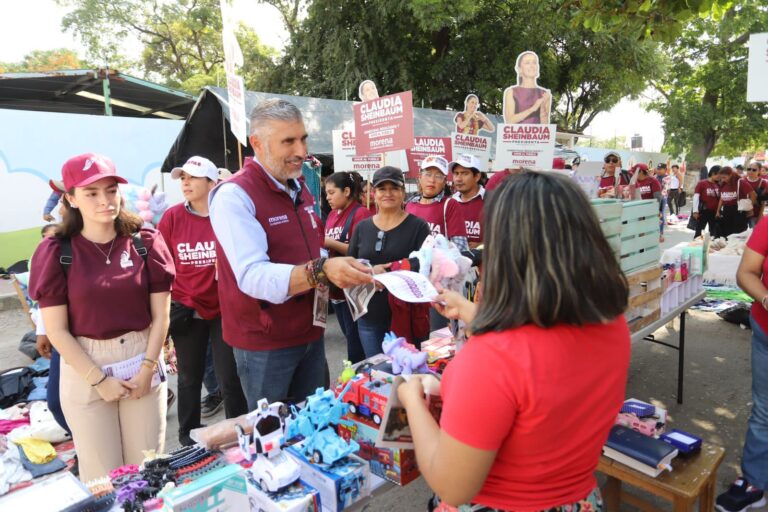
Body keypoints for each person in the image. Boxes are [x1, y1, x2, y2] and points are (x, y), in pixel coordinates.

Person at [399, 171, 630, 511]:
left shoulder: (489, 361)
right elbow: (541, 359)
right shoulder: (612, 325)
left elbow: (453, 485)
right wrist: (471, 312)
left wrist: (412, 399)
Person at [208, 99, 373, 408]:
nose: (301, 151)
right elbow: (253, 275)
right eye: (288, 141)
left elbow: (312, 248)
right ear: (256, 143)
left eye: (303, 138)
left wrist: (347, 269)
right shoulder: (234, 195)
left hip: (310, 331)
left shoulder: (300, 186)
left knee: (316, 423)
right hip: (265, 344)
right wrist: (323, 270)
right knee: (274, 439)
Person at [29, 153, 175, 481]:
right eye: (91, 193)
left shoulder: (144, 242)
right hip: (84, 363)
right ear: (71, 198)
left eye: (110, 190)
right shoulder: (57, 252)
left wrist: (147, 368)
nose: (104, 200)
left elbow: (161, 317)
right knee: (103, 480)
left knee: (147, 471)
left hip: (142, 359)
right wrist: (99, 380)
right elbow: (57, 330)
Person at [158, 155, 247, 446]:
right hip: (187, 307)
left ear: (212, 183)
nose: (185, 182)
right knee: (188, 378)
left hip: (224, 307)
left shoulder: (228, 214)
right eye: (182, 177)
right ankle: (187, 437)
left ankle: (238, 432)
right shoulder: (172, 217)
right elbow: (163, 262)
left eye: (193, 177)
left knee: (229, 376)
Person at [347, 166, 431, 356]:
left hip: (406, 316)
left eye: (393, 188)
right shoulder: (362, 228)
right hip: (369, 315)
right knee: (379, 375)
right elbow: (350, 266)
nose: (388, 193)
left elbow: (425, 267)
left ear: (403, 193)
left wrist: (391, 274)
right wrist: (370, 272)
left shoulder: (418, 226)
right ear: (374, 194)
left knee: (407, 374)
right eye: (382, 189)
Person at [717, 221, 768, 512]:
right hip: (766, 331)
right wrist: (766, 297)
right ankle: (754, 481)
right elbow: (746, 272)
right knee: (764, 411)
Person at [406, 155, 469, 331]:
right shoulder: (409, 205)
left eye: (438, 176)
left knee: (438, 334)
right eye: (428, 174)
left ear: (444, 181)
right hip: (412, 278)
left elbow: (460, 248)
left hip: (439, 285)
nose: (432, 180)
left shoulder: (450, 205)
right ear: (419, 176)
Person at [323, 171, 373, 363]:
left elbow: (361, 253)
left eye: (331, 192)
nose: (327, 197)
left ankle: (357, 381)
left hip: (353, 289)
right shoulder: (332, 215)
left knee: (355, 342)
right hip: (336, 289)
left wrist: (329, 242)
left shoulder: (361, 214)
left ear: (346, 191)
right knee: (349, 336)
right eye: (326, 193)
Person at [503, 51, 551, 124]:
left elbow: (545, 125)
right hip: (516, 134)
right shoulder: (511, 92)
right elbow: (509, 120)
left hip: (536, 135)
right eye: (527, 63)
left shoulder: (545, 94)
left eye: (534, 62)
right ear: (519, 69)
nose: (532, 66)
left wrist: (543, 107)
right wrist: (533, 108)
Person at [450, 154, 485, 249]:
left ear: (477, 176)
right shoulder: (449, 203)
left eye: (464, 173)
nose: (458, 179)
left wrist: (482, 244)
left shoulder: (492, 200)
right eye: (456, 173)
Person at [717, 166, 756, 238]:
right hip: (726, 210)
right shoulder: (723, 184)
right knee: (727, 232)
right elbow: (722, 198)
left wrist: (750, 207)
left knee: (738, 232)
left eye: (724, 177)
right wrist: (718, 211)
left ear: (731, 175)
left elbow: (753, 194)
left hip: (738, 210)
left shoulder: (740, 182)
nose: (723, 180)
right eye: (721, 178)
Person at [693, 168, 721, 239]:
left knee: (713, 232)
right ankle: (695, 247)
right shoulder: (702, 183)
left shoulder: (719, 185)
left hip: (715, 212)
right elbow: (696, 196)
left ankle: (710, 247)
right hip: (703, 211)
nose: (719, 176)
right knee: (699, 232)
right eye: (717, 174)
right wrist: (695, 211)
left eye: (720, 175)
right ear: (712, 173)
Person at [746, 162, 768, 229]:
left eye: (754, 170)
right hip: (742, 214)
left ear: (759, 171)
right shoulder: (742, 180)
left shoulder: (763, 182)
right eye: (749, 169)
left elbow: (763, 202)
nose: (751, 171)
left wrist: (760, 216)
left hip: (755, 214)